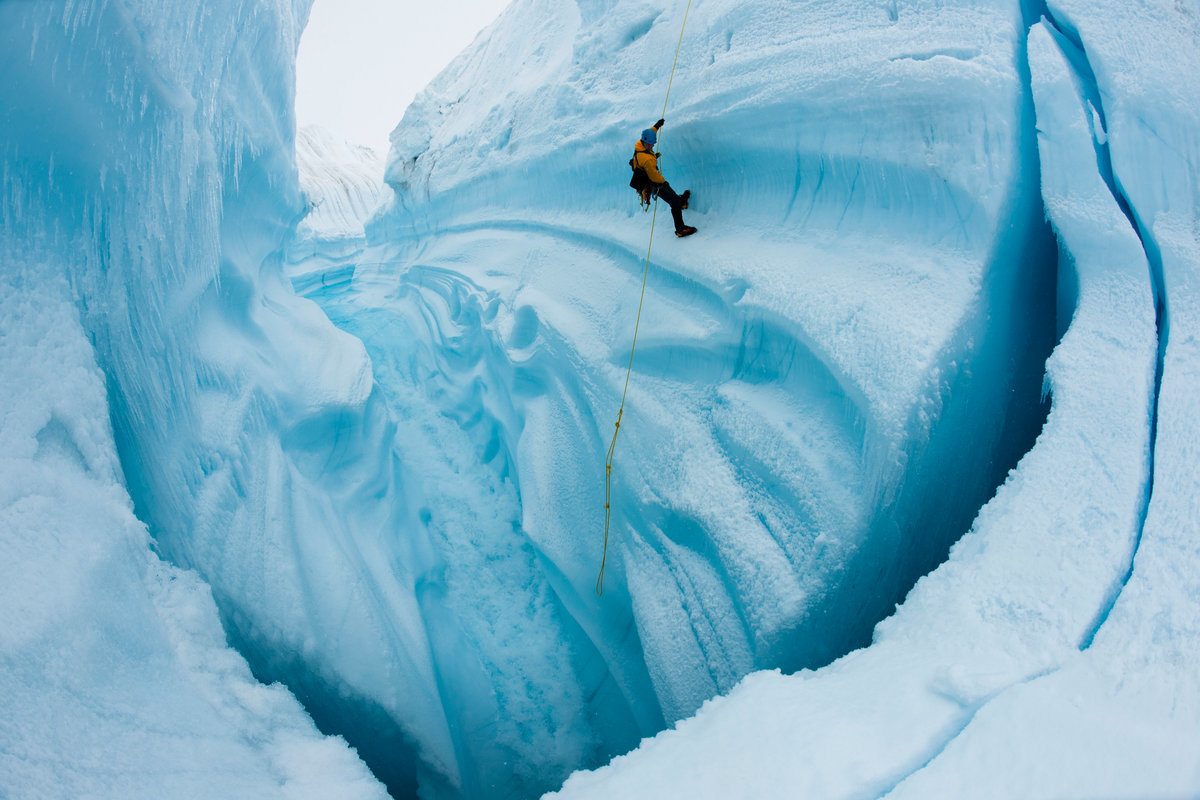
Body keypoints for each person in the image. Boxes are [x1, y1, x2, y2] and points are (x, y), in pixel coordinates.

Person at [633, 119, 697, 237]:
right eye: (651, 144)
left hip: (647, 177)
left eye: (653, 143)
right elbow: (654, 176)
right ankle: (680, 229)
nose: (652, 146)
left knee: (672, 195)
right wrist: (663, 181)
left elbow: (651, 131)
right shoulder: (647, 160)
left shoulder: (640, 143)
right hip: (652, 183)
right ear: (645, 142)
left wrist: (658, 125)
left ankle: (680, 202)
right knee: (673, 201)